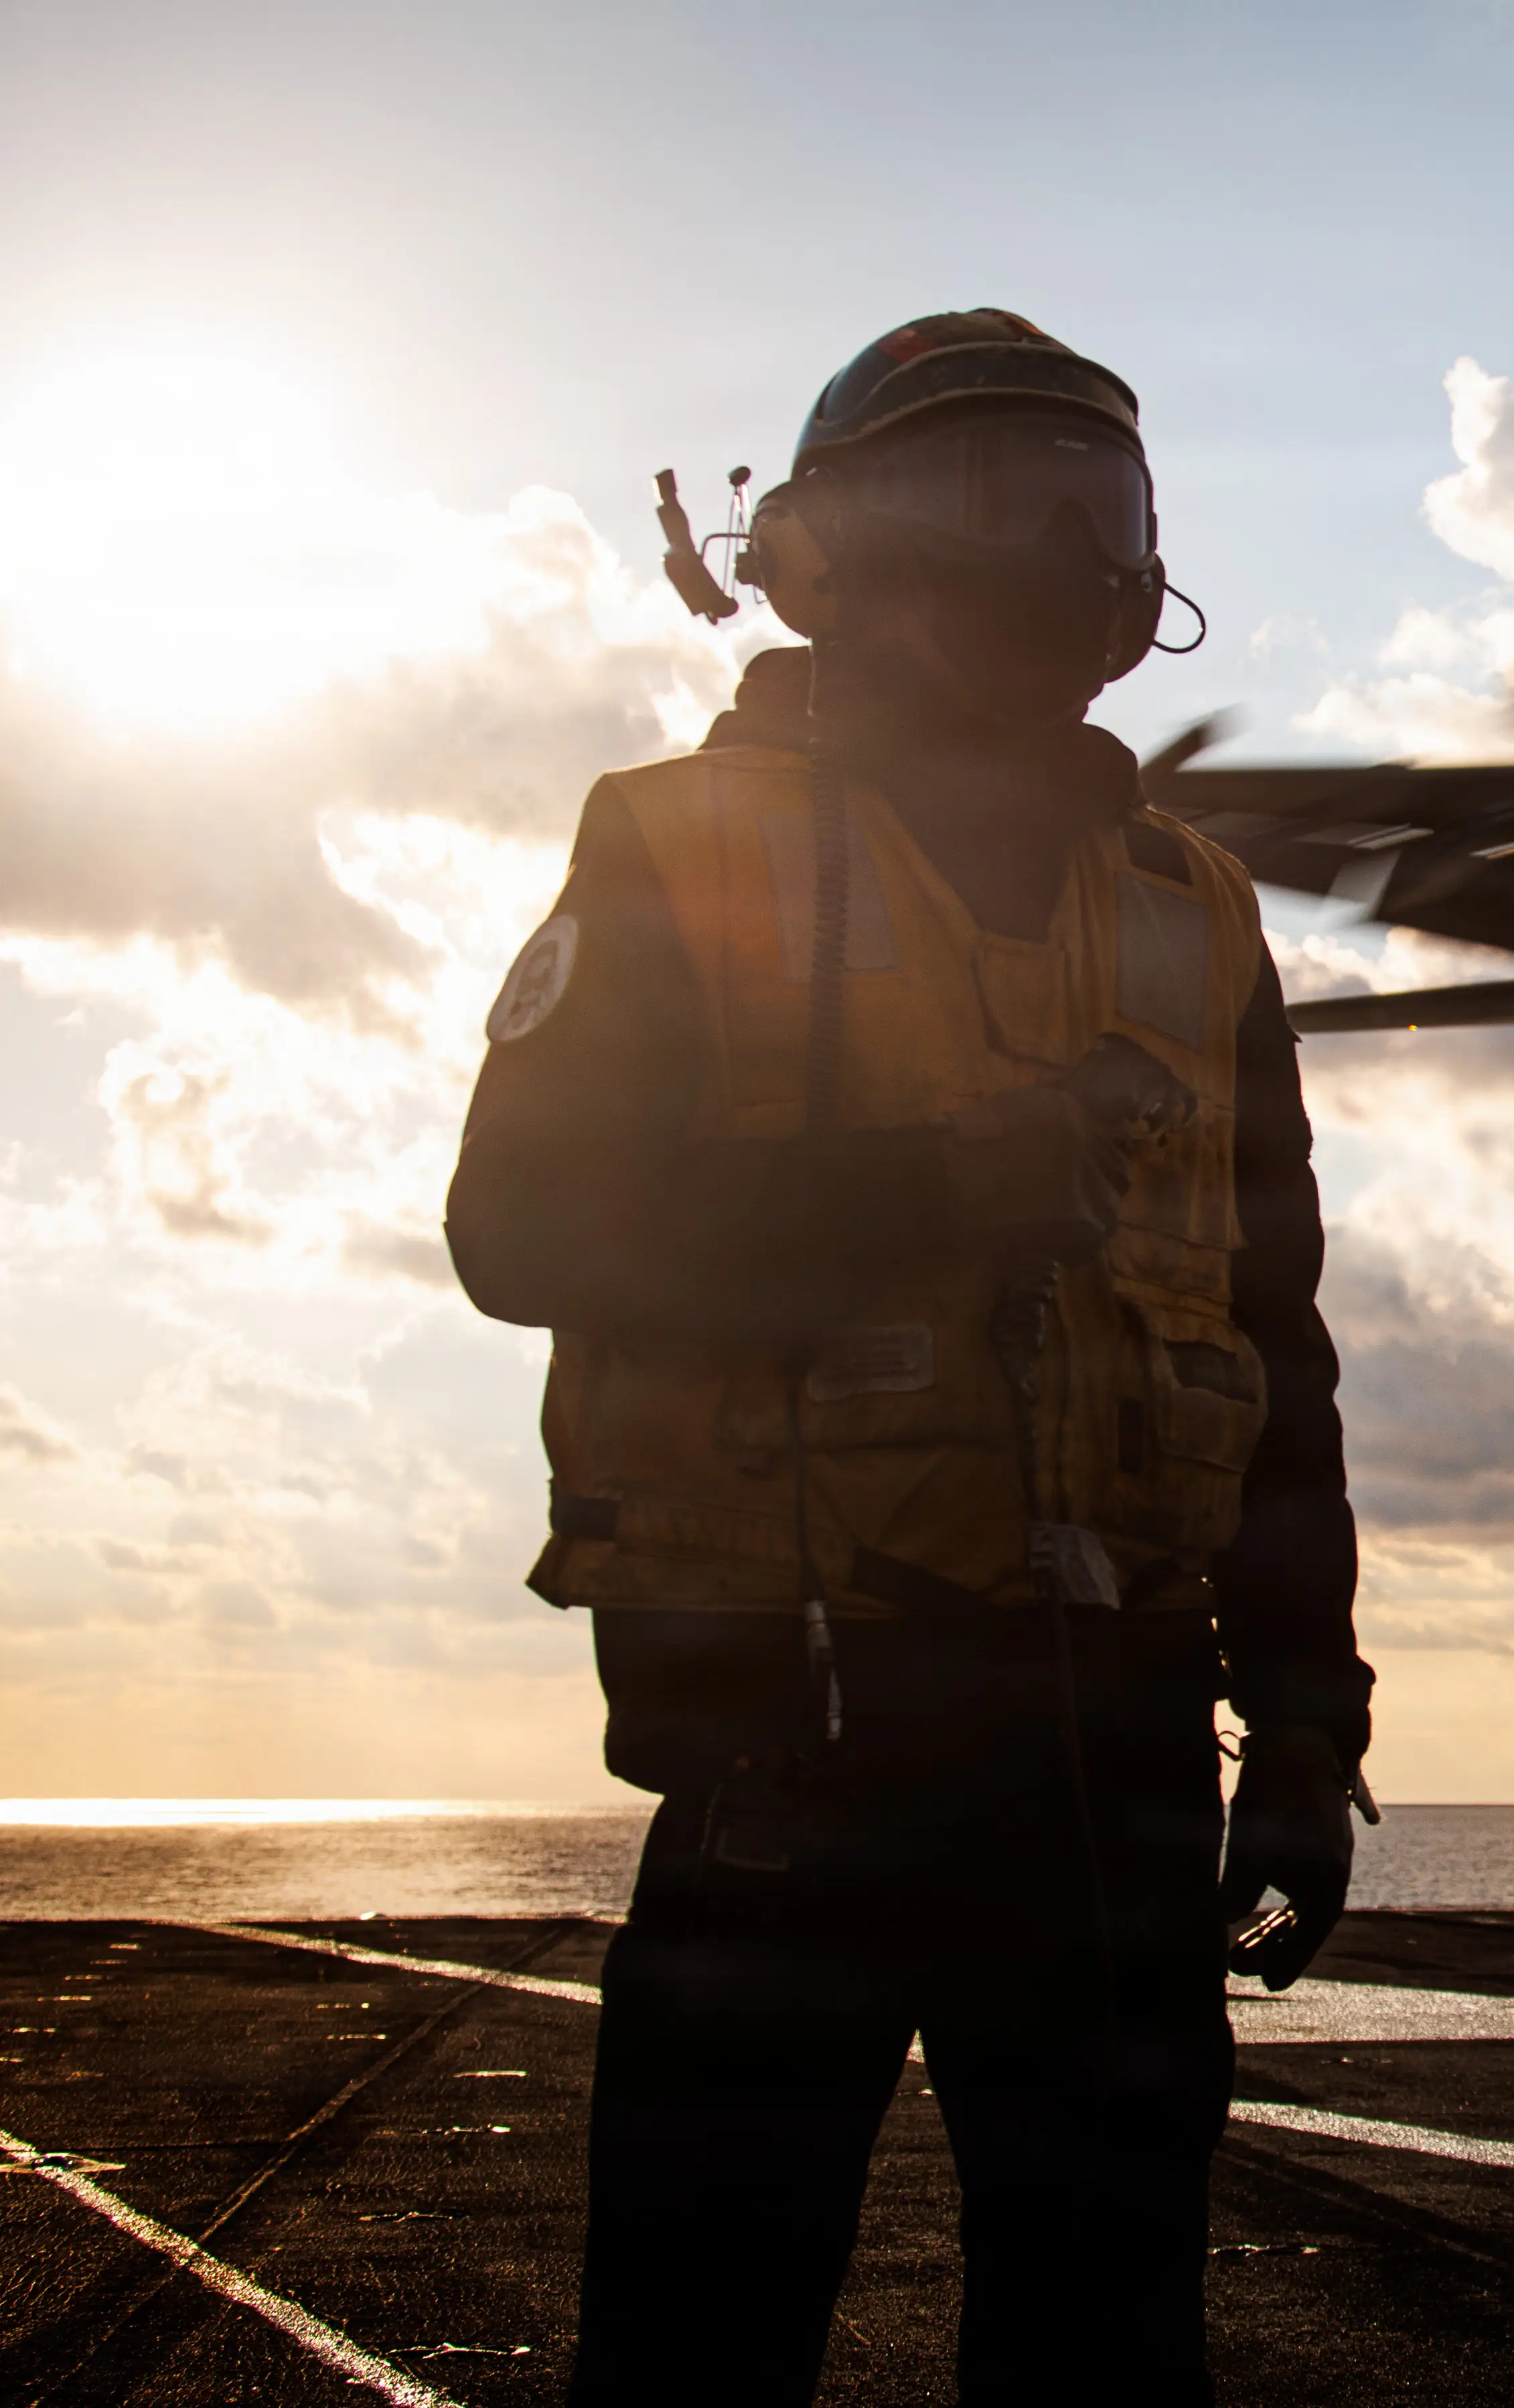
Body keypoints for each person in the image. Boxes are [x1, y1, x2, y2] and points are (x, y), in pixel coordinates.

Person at [445, 309, 1371, 2405]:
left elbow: (1269, 1331)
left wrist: (1304, 1723)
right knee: (697, 2346)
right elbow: (520, 1233)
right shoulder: (674, 847)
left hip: (1118, 1752)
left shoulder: (1196, 910)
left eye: (1100, 507)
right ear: (835, 554)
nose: (1059, 551)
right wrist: (922, 1189)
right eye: (993, 497)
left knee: (1112, 2350)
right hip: (792, 1732)